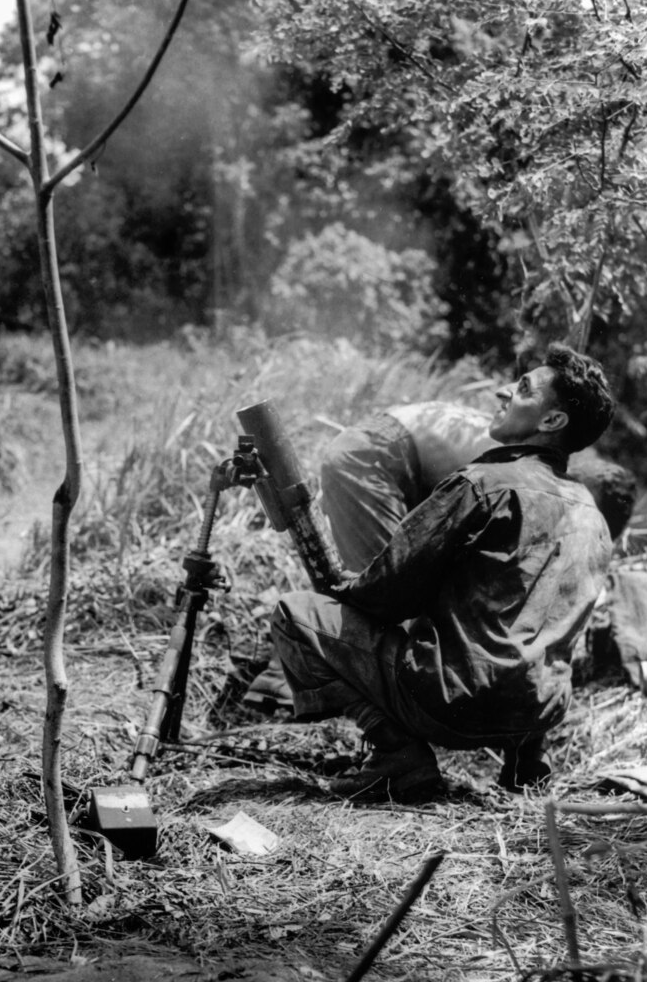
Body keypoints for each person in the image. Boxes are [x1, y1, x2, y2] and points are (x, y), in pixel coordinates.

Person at [256, 343, 617, 800]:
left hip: (454, 707)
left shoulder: (481, 484)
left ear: (551, 421)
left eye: (524, 388)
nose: (504, 390)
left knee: (294, 615)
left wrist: (340, 589)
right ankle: (528, 764)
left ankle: (397, 755)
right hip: (536, 712)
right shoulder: (591, 515)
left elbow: (390, 592)